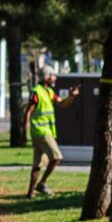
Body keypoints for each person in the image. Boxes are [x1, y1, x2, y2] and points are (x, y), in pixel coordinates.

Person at [23, 65, 79, 197]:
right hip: (41, 132)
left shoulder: (49, 91)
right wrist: (23, 133)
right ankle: (42, 183)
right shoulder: (37, 92)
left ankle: (30, 193)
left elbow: (61, 103)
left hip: (42, 132)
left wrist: (71, 96)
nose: (55, 77)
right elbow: (27, 112)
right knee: (57, 157)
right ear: (46, 77)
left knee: (37, 165)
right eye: (52, 75)